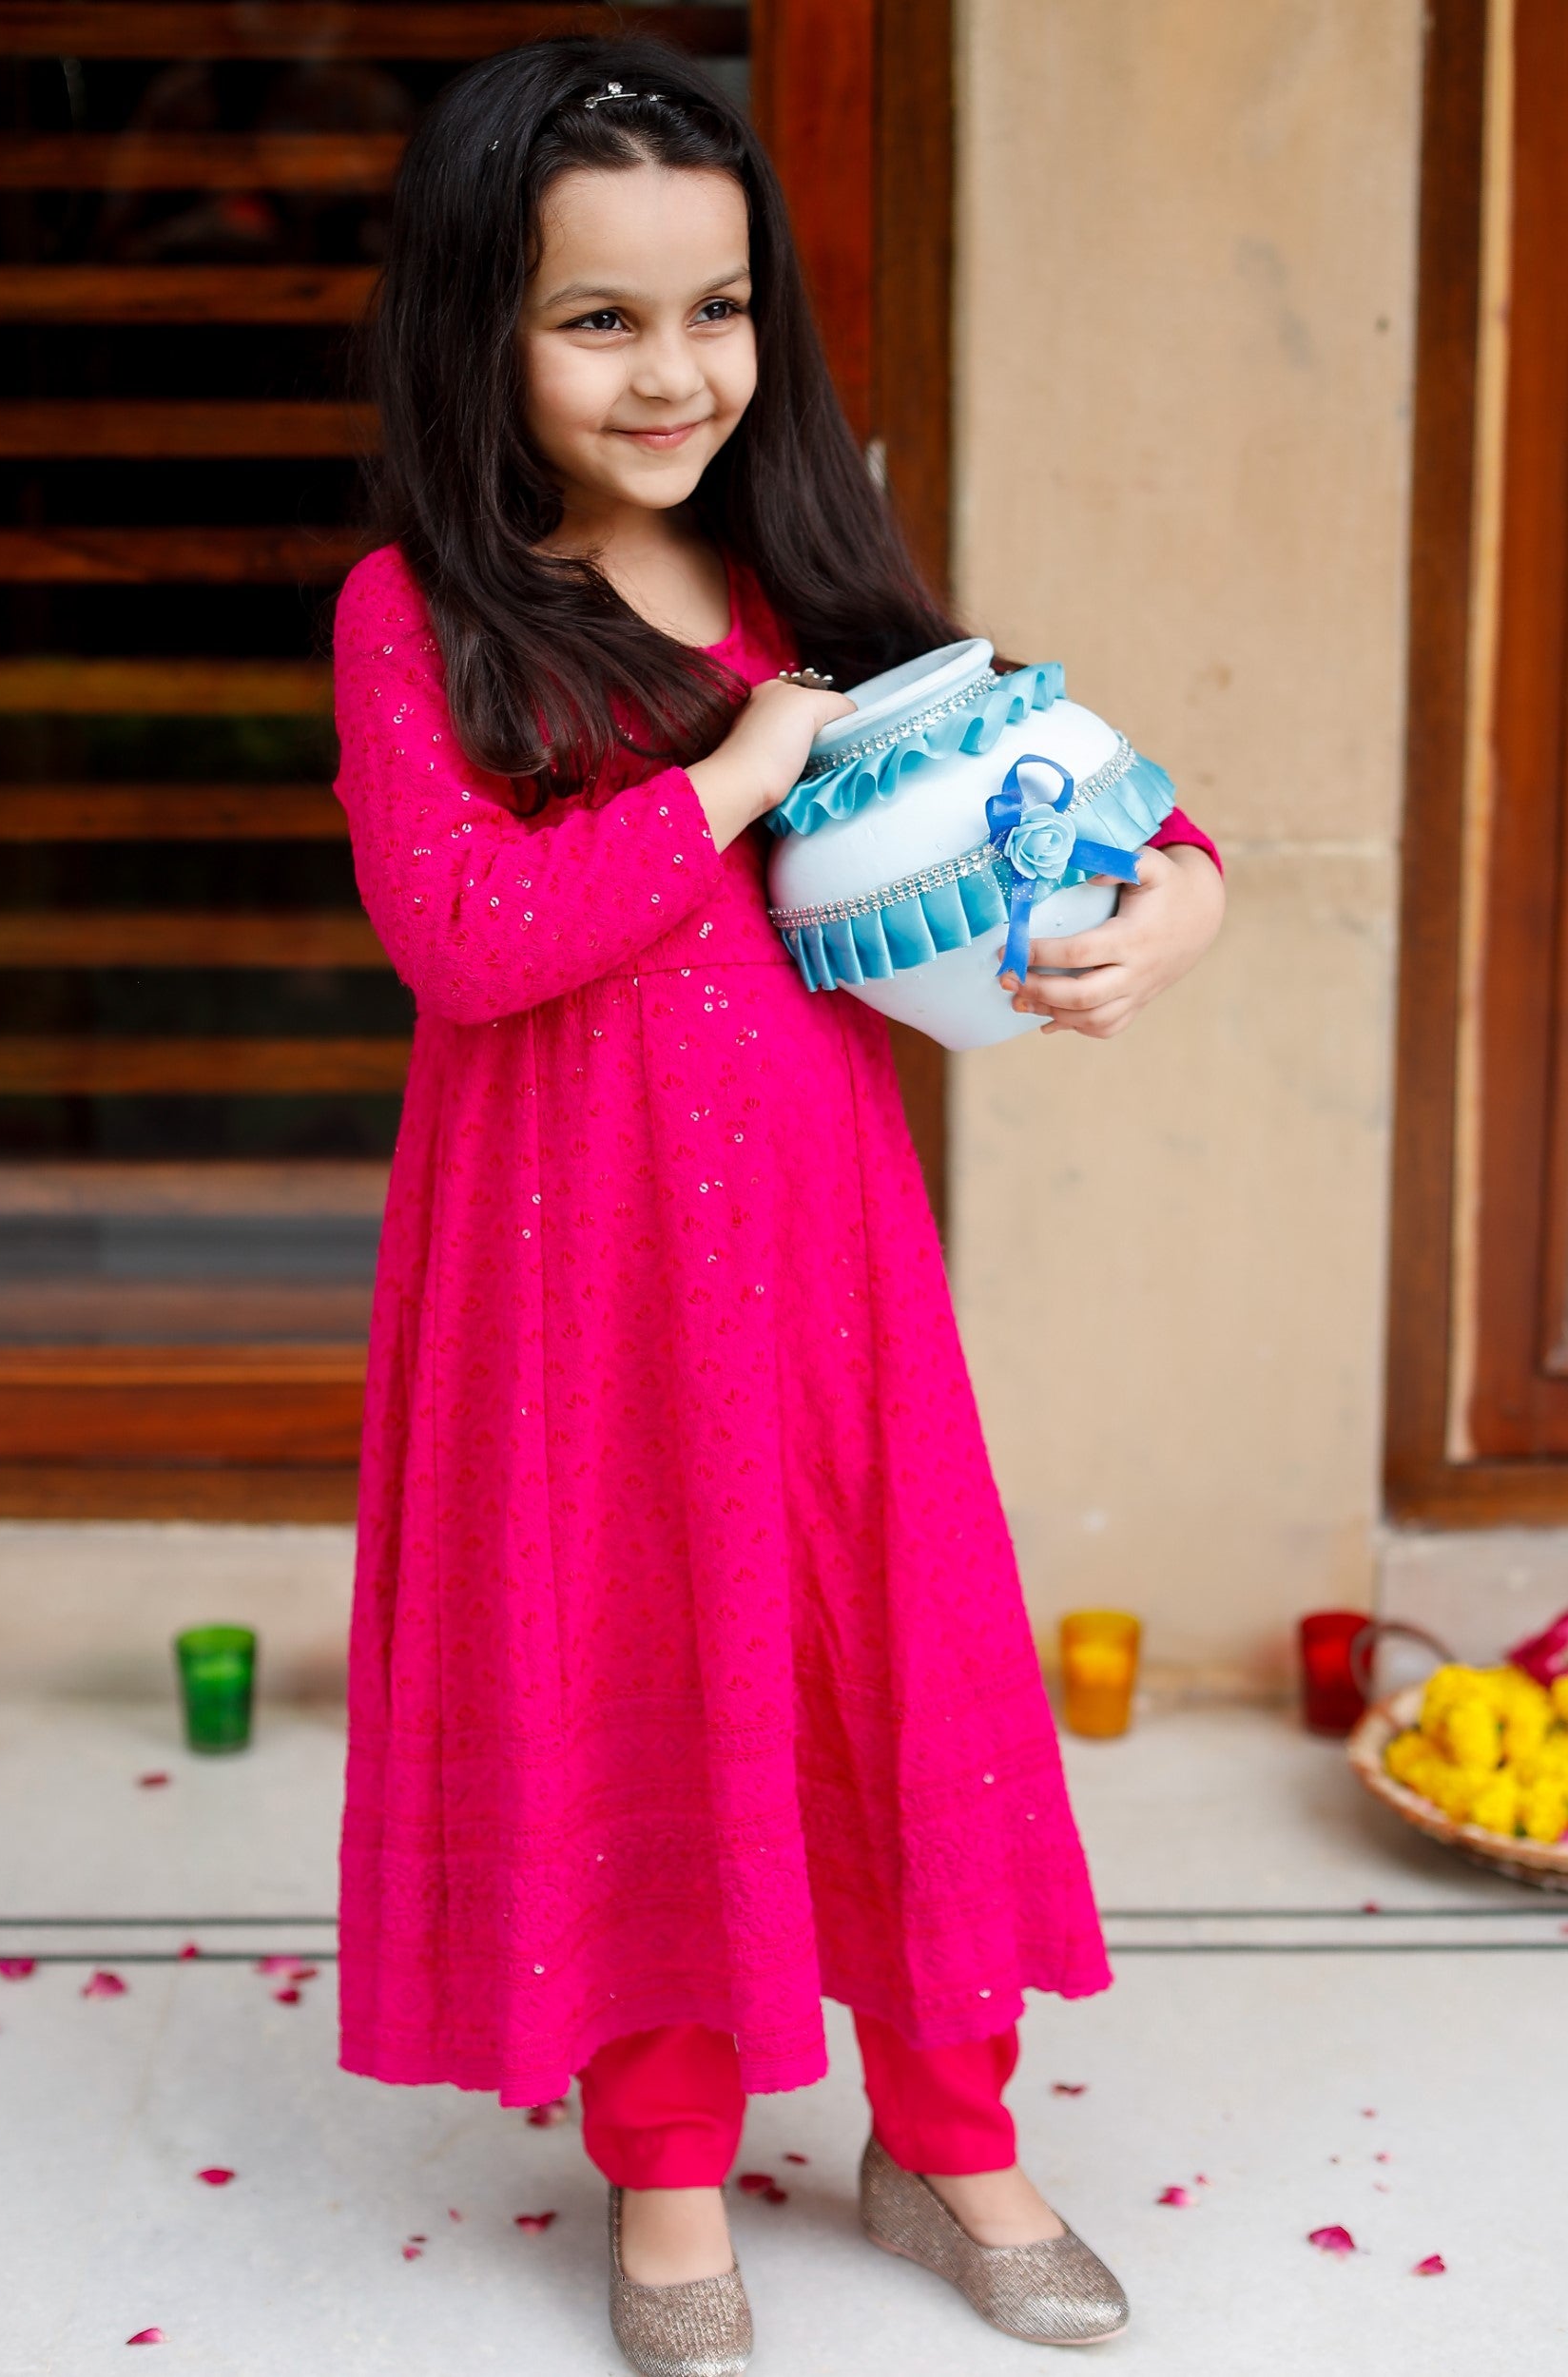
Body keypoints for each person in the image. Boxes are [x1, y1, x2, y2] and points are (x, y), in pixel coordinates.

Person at [331, 35, 1225, 2375]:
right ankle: (663, 2165)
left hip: (822, 1259)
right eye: (599, 318)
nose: (675, 370)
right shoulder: (414, 615)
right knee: (632, 1643)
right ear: (476, 330)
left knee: (879, 1638)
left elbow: (1071, 777)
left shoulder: (810, 565)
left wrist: (1177, 905)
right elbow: (466, 938)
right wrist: (741, 761)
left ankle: (946, 2131)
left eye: (716, 309)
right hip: (563, 1275)